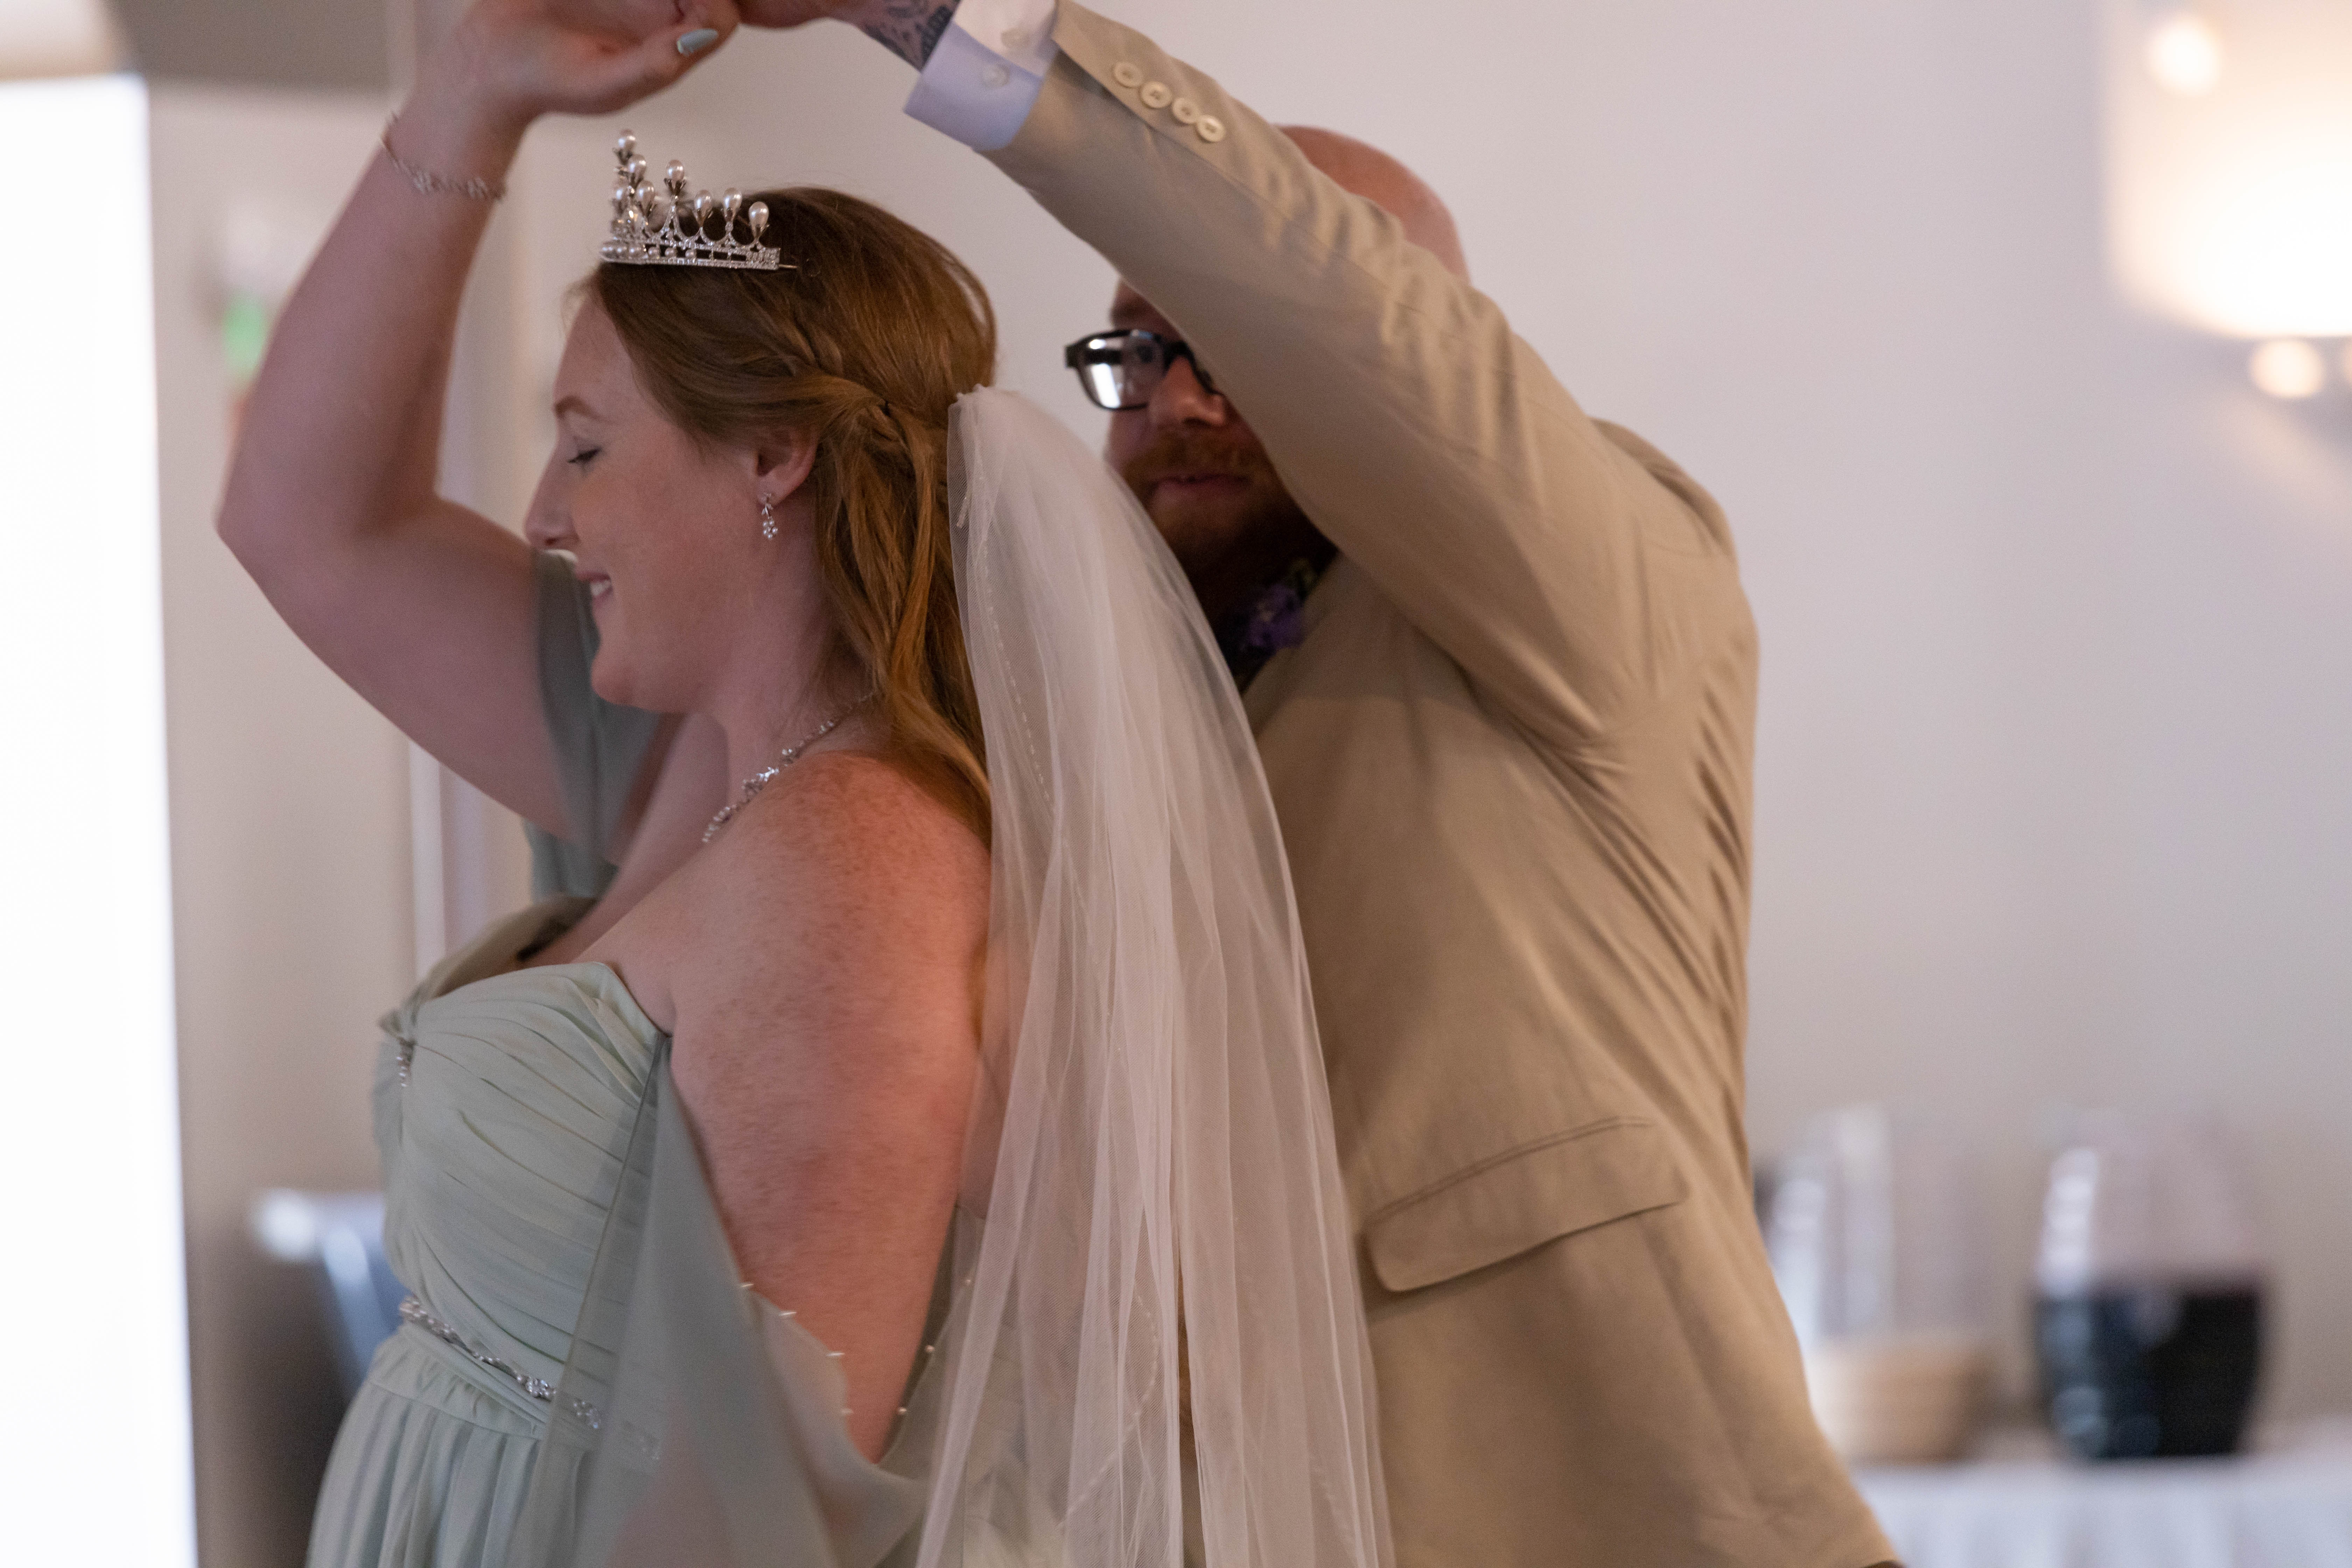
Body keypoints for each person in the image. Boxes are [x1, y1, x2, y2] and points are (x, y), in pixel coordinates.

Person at [688, 3, 1899, 1565]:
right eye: (1143, 351)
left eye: (1242, 341)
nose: (1186, 398)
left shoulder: (1604, 596)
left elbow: (1348, 315)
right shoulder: (1053, 719)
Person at [218, 3, 1388, 1565]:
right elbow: (304, 521)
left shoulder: (851, 873)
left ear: (772, 455)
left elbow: (762, 1507)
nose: (545, 517)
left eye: (585, 447)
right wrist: (470, 98)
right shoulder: (683, 755)